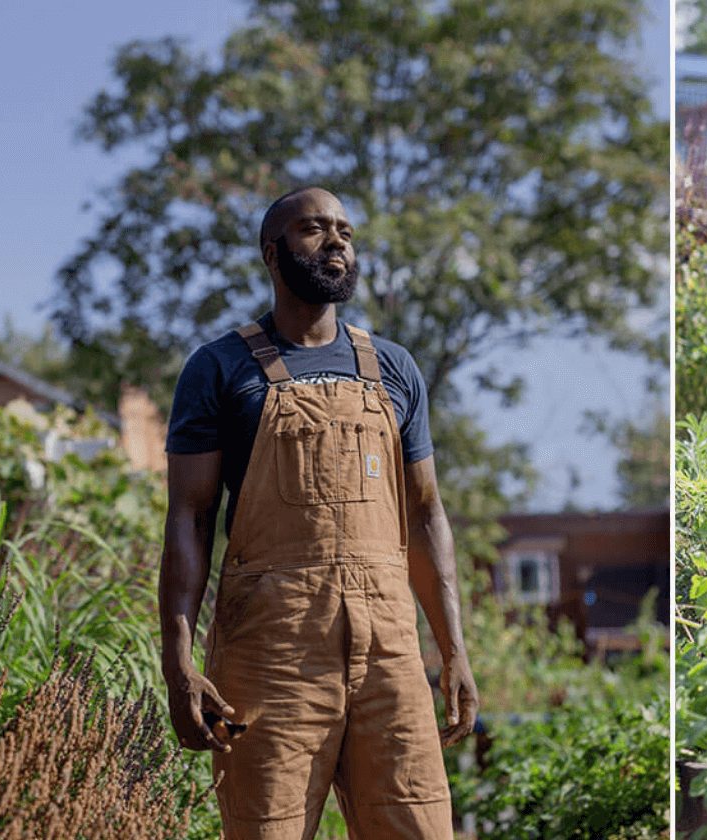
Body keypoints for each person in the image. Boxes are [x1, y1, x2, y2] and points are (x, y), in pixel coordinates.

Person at [160, 186, 478, 839]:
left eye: (345, 231)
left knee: (422, 826)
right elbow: (188, 520)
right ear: (272, 253)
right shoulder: (219, 369)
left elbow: (424, 515)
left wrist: (454, 649)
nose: (336, 241)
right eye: (314, 229)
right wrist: (180, 664)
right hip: (265, 658)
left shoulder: (394, 368)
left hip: (390, 655)